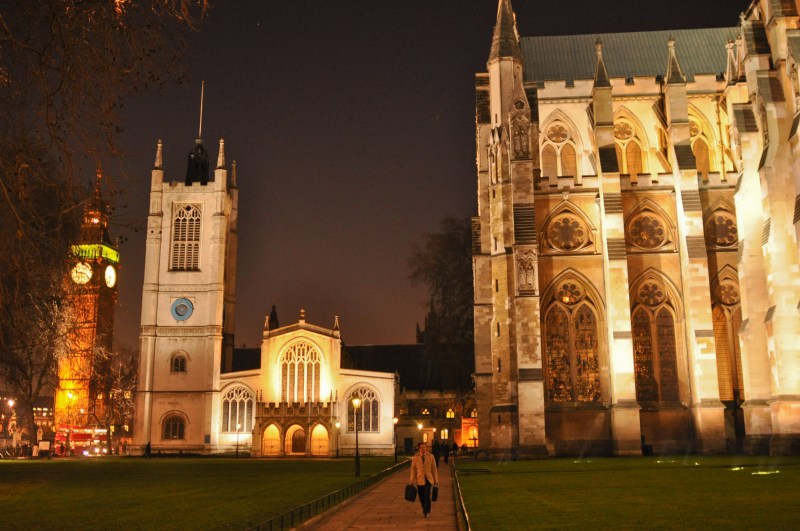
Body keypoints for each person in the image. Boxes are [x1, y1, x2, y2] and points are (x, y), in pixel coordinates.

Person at [409, 442, 439, 518]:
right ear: (419, 449)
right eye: (422, 447)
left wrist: (436, 480)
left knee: (427, 495)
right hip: (420, 479)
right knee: (421, 496)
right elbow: (413, 470)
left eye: (424, 447)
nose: (423, 449)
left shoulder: (431, 456)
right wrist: (412, 480)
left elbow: (434, 469)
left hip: (429, 479)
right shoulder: (415, 457)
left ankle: (427, 511)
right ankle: (424, 508)